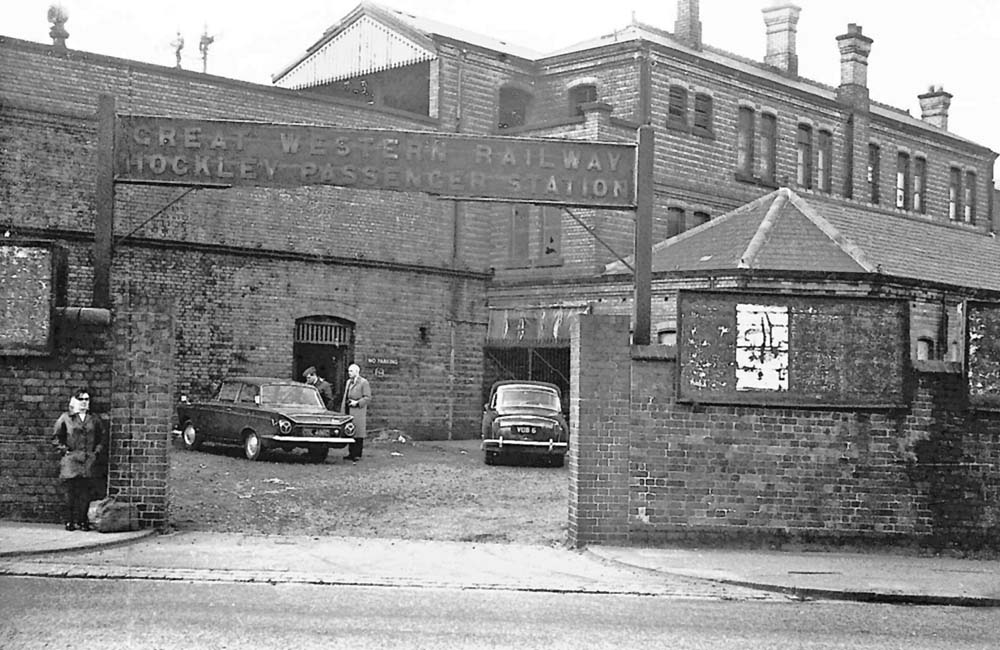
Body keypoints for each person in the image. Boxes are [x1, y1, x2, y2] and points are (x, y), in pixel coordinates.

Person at [51, 388, 104, 531]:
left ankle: (83, 520)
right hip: (71, 461)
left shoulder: (94, 419)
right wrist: (65, 451)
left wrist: (96, 453)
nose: (84, 403)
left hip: (88, 461)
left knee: (85, 492)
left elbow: (101, 438)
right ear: (74, 401)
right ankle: (69, 520)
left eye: (87, 400)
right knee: (70, 492)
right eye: (81, 399)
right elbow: (56, 438)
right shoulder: (66, 418)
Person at [340, 363, 371, 461]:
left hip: (358, 411)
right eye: (349, 371)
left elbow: (367, 397)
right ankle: (351, 453)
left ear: (357, 372)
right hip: (349, 409)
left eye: (351, 371)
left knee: (358, 432)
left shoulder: (363, 382)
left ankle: (357, 454)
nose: (349, 373)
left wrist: (357, 403)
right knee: (350, 430)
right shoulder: (349, 382)